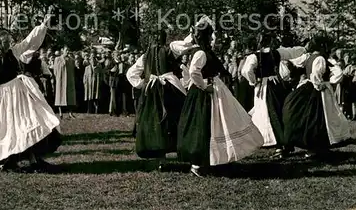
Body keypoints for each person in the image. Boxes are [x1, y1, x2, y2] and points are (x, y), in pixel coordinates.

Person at [0, 11, 61, 173]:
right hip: (0, 97)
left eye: (9, 41)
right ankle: (7, 162)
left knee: (27, 123)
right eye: (4, 42)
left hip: (18, 93)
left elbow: (30, 41)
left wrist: (43, 24)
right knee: (6, 128)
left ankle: (34, 159)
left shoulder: (14, 52)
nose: (8, 44)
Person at [175, 16, 264, 177]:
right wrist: (203, 86)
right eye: (210, 36)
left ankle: (216, 159)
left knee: (218, 124)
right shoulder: (200, 53)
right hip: (206, 92)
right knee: (205, 125)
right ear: (206, 37)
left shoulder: (204, 51)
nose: (212, 39)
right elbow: (194, 71)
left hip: (213, 89)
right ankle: (198, 164)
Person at [283, 34, 352, 158]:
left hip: (309, 88)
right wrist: (319, 85)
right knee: (319, 118)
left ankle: (319, 146)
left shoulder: (308, 57)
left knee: (315, 118)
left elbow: (291, 62)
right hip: (318, 91)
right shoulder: (320, 58)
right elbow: (316, 75)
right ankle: (315, 147)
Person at [126, 29, 186, 170]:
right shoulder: (170, 51)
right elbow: (184, 47)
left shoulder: (145, 56)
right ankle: (180, 151)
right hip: (170, 88)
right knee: (175, 118)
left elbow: (131, 73)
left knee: (156, 123)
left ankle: (161, 160)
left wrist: (142, 84)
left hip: (152, 91)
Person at [241, 32, 306, 159]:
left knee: (271, 114)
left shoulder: (254, 56)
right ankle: (282, 143)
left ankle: (279, 145)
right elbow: (291, 52)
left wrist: (253, 81)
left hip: (265, 86)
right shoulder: (276, 53)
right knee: (279, 113)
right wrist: (304, 49)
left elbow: (246, 70)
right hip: (277, 85)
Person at [54, 46, 76, 119]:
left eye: (68, 50)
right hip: (61, 80)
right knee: (60, 95)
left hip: (69, 80)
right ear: (62, 50)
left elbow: (73, 70)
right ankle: (60, 113)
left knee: (70, 96)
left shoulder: (71, 60)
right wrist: (58, 78)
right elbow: (55, 71)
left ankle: (70, 113)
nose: (68, 51)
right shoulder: (58, 59)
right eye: (66, 50)